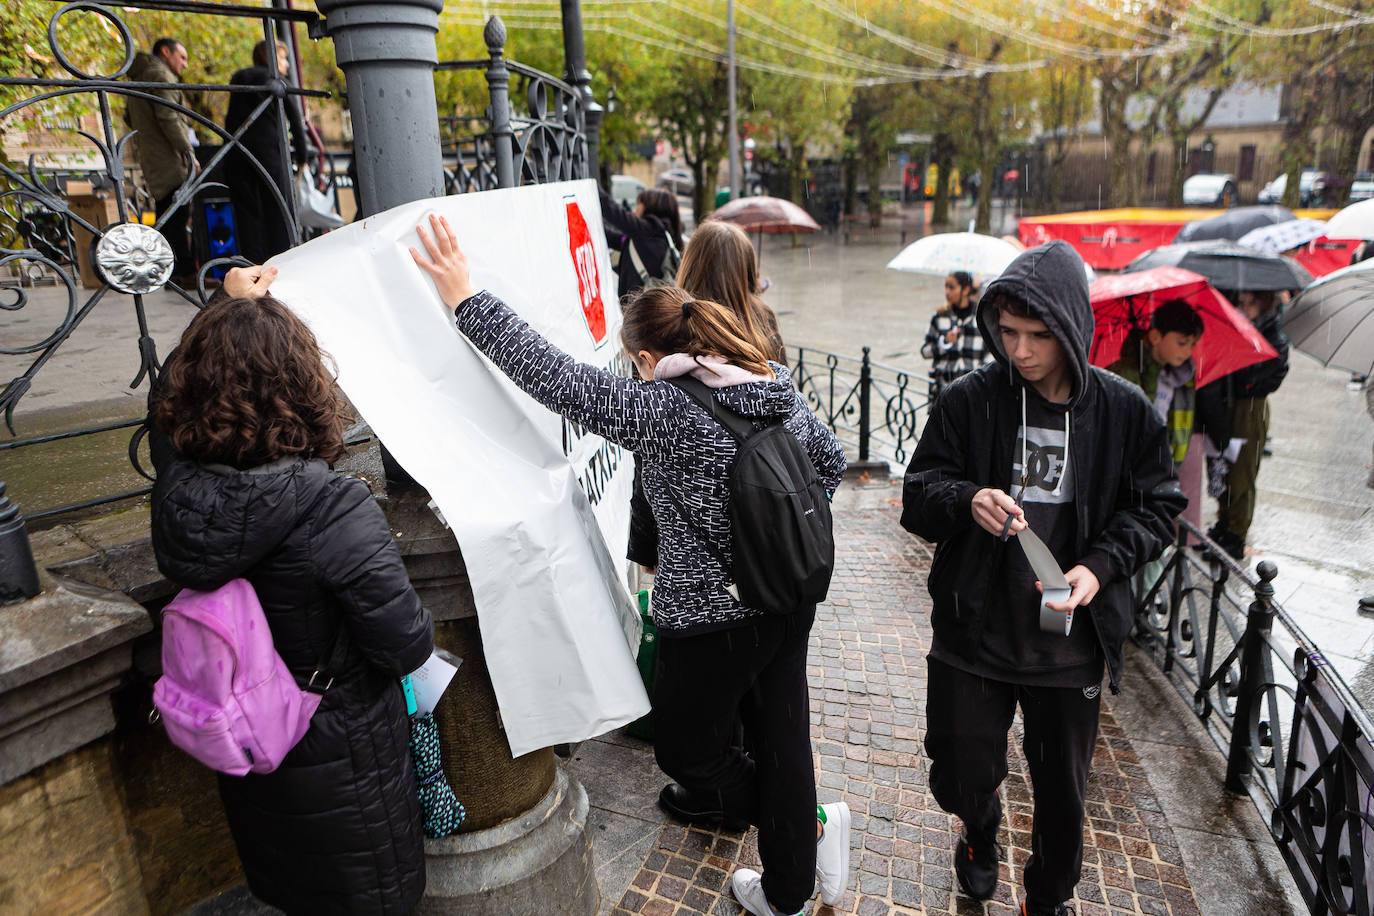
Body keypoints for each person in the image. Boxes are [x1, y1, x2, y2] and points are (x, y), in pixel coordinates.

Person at [408, 214, 851, 916]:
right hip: (790, 597)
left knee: (688, 753)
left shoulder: (665, 411)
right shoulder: (773, 383)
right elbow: (830, 464)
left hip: (714, 620)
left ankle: (804, 831)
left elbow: (556, 380)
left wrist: (466, 300)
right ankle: (792, 879)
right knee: (784, 740)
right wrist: (770, 533)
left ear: (648, 358)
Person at [901, 241, 1184, 916]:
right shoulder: (971, 401)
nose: (1019, 349)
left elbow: (1161, 506)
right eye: (1007, 332)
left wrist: (1101, 565)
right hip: (976, 629)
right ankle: (979, 826)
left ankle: (1047, 898)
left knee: (1063, 799)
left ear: (1071, 330)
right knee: (961, 770)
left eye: (1036, 336)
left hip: (1070, 641)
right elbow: (919, 491)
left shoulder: (1123, 410)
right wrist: (965, 499)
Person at [148, 265, 434, 915]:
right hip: (345, 766)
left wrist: (219, 314)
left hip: (254, 759)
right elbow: (405, 643)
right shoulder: (330, 505)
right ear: (305, 386)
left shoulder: (179, 492)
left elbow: (164, 411)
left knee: (290, 893)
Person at [627, 218, 785, 572]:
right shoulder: (763, 322)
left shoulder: (672, 323)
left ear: (689, 262)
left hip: (691, 512)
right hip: (762, 498)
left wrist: (645, 546)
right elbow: (784, 410)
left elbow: (648, 442)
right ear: (747, 270)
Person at [1206, 288, 1289, 559]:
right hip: (1226, 402)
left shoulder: (1272, 333)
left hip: (1249, 407)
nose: (1245, 307)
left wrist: (1248, 376)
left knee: (1242, 472)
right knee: (1222, 466)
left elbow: (1275, 371)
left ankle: (1236, 534)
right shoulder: (1237, 324)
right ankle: (1224, 520)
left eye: (1251, 303)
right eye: (1242, 302)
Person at [224, 40, 309, 263]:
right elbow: (296, 123)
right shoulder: (275, 82)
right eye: (283, 58)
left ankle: (252, 262)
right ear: (270, 57)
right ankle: (279, 261)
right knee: (277, 209)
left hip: (237, 153)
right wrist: (303, 157)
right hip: (268, 154)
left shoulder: (239, 76)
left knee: (247, 213)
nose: (287, 65)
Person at [126, 37, 196, 280]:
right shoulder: (160, 75)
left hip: (152, 152)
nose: (185, 65)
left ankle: (172, 270)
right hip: (168, 155)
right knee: (176, 212)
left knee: (168, 210)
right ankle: (182, 272)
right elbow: (168, 116)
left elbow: (128, 117)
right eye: (182, 57)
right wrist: (187, 149)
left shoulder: (140, 76)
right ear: (165, 52)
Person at [1106, 298, 1205, 465]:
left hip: (1161, 464)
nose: (1188, 351)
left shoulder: (1182, 378)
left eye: (1193, 344)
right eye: (1182, 343)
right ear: (1155, 337)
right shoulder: (1124, 373)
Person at [599, 185, 683, 300]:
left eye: (639, 204)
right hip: (652, 307)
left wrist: (593, 187)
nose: (634, 210)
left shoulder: (648, 231)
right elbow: (614, 238)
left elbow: (614, 212)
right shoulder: (660, 236)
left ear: (650, 207)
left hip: (640, 310)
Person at [920, 270, 986, 402]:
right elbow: (925, 351)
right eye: (945, 287)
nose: (947, 292)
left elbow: (990, 354)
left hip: (974, 393)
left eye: (952, 287)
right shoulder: (940, 317)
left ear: (966, 290)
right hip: (944, 391)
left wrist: (981, 377)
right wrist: (944, 344)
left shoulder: (981, 317)